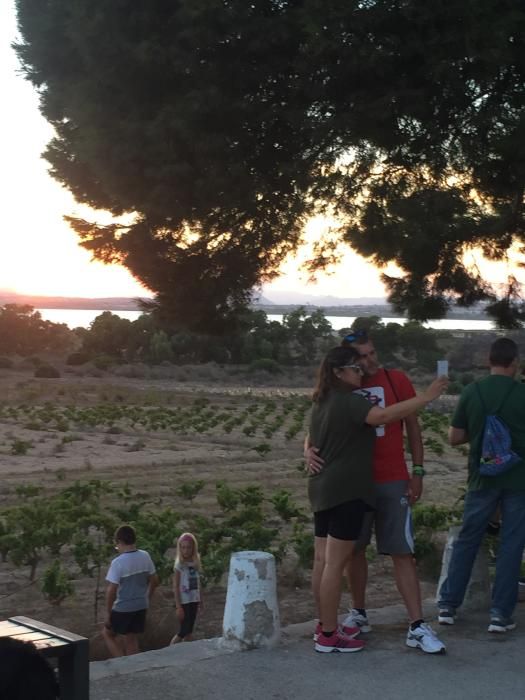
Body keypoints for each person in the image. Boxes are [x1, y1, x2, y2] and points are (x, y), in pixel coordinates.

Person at [306, 329, 446, 654]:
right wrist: (307, 450)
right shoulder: (344, 391)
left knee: (400, 552)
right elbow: (320, 428)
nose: (367, 363)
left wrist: (418, 471)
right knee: (350, 555)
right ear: (345, 363)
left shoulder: (395, 380)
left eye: (371, 354)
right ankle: (355, 615)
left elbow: (412, 427)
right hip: (353, 488)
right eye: (360, 358)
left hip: (391, 479)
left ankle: (416, 625)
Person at [438, 337, 525, 632]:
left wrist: (482, 435)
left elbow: (453, 437)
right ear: (515, 362)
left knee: (468, 539)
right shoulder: (522, 394)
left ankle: (448, 605)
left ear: (489, 361)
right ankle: (500, 614)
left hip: (481, 477)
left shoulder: (472, 392)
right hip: (518, 479)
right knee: (511, 545)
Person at [102, 524, 158, 657]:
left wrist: (108, 613)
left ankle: (122, 663)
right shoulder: (145, 556)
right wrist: (147, 598)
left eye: (117, 545)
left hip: (123, 607)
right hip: (140, 606)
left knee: (107, 633)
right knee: (131, 638)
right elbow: (155, 580)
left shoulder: (118, 562)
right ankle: (135, 667)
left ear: (120, 542)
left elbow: (111, 591)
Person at [171, 532, 202, 644]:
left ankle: (189, 654)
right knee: (183, 631)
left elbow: (198, 582)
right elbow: (176, 585)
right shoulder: (179, 565)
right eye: (183, 547)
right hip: (184, 601)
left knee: (189, 631)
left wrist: (200, 599)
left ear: (193, 548)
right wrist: (178, 606)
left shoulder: (195, 562)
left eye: (188, 547)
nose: (186, 550)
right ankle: (170, 649)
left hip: (194, 599)